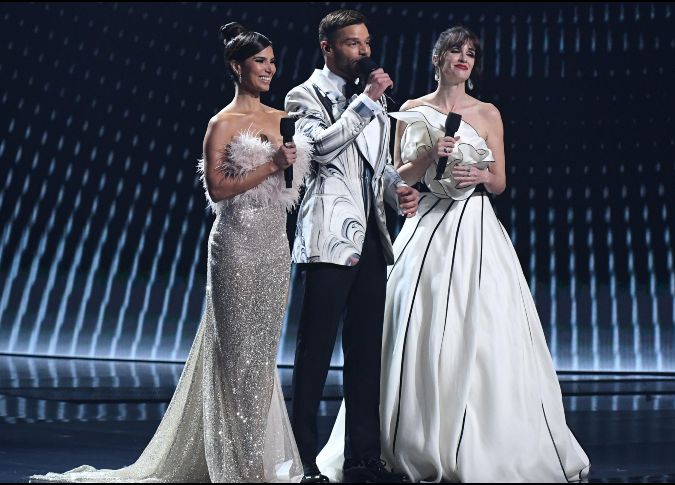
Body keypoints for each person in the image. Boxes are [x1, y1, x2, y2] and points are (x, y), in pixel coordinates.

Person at [30, 22, 311, 483]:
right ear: (236, 66)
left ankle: (252, 458)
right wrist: (270, 165)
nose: (270, 69)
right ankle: (237, 467)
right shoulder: (221, 124)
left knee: (260, 358)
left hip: (274, 249)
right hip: (236, 249)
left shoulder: (282, 119)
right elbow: (218, 190)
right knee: (235, 356)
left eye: (272, 61)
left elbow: (289, 186)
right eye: (260, 61)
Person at [317, 26, 591, 482]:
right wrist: (428, 157)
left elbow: (499, 180)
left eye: (470, 53)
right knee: (413, 327)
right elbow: (396, 173)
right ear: (437, 58)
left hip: (475, 229)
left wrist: (477, 176)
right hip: (424, 224)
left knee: (482, 330)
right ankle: (400, 439)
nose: (463, 58)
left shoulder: (487, 112)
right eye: (454, 51)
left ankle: (482, 438)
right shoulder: (410, 110)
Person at [283, 9, 419, 484]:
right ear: (328, 47)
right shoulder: (304, 94)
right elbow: (318, 150)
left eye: (366, 43)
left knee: (366, 353)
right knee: (315, 352)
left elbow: (377, 168)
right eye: (352, 43)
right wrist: (365, 103)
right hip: (328, 239)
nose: (364, 51)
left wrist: (398, 191)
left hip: (372, 242)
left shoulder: (376, 102)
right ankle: (301, 457)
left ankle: (364, 456)